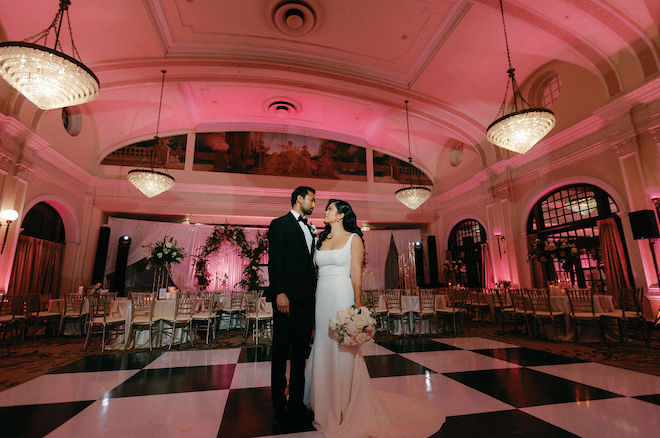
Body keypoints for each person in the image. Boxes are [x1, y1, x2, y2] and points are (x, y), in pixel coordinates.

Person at [304, 199, 445, 438]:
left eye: (329, 209)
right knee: (322, 344)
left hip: (342, 294)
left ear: (341, 215)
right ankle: (322, 400)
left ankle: (345, 403)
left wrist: (357, 303)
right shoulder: (321, 239)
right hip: (322, 295)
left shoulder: (354, 238)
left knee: (341, 345)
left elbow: (355, 273)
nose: (325, 212)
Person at [267, 186, 317, 433]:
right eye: (312, 199)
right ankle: (279, 408)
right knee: (280, 354)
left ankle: (297, 404)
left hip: (307, 301)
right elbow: (275, 261)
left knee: (300, 356)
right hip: (286, 299)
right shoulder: (279, 224)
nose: (314, 204)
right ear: (300, 198)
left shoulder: (310, 227)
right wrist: (279, 292)